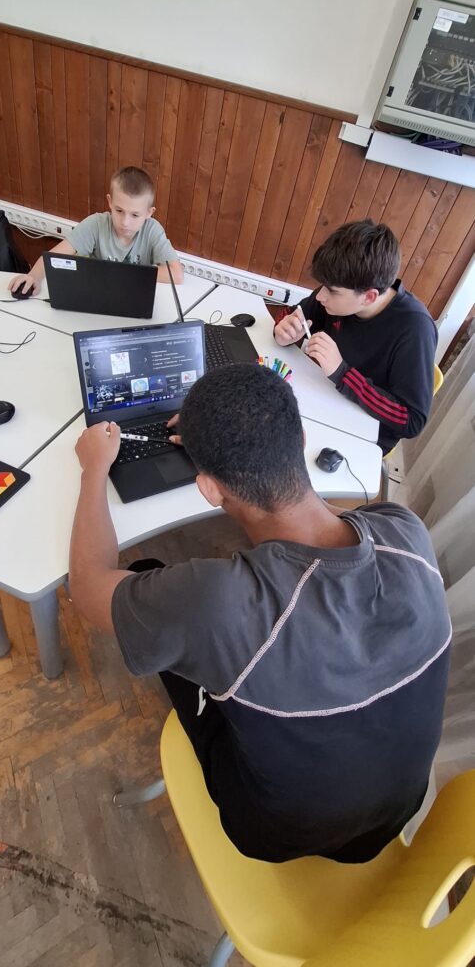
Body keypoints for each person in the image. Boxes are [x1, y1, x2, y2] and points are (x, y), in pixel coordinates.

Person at [69, 364, 451, 865]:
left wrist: (94, 469)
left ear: (209, 489)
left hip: (273, 834)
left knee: (149, 581)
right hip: (395, 815)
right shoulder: (406, 529)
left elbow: (86, 587)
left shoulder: (213, 602)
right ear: (302, 439)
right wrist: (245, 439)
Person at [274, 220, 438, 454]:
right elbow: (294, 313)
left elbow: (411, 420)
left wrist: (342, 373)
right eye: (323, 286)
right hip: (323, 400)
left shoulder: (415, 329)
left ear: (369, 297)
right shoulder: (340, 288)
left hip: (364, 434)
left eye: (332, 291)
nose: (320, 296)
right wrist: (284, 330)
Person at [8, 166, 184, 296]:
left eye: (135, 215)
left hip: (133, 298)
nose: (125, 222)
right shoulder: (96, 224)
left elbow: (176, 275)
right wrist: (34, 276)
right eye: (119, 211)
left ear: (149, 213)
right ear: (110, 202)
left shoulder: (152, 229)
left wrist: (120, 274)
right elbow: (53, 257)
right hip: (99, 297)